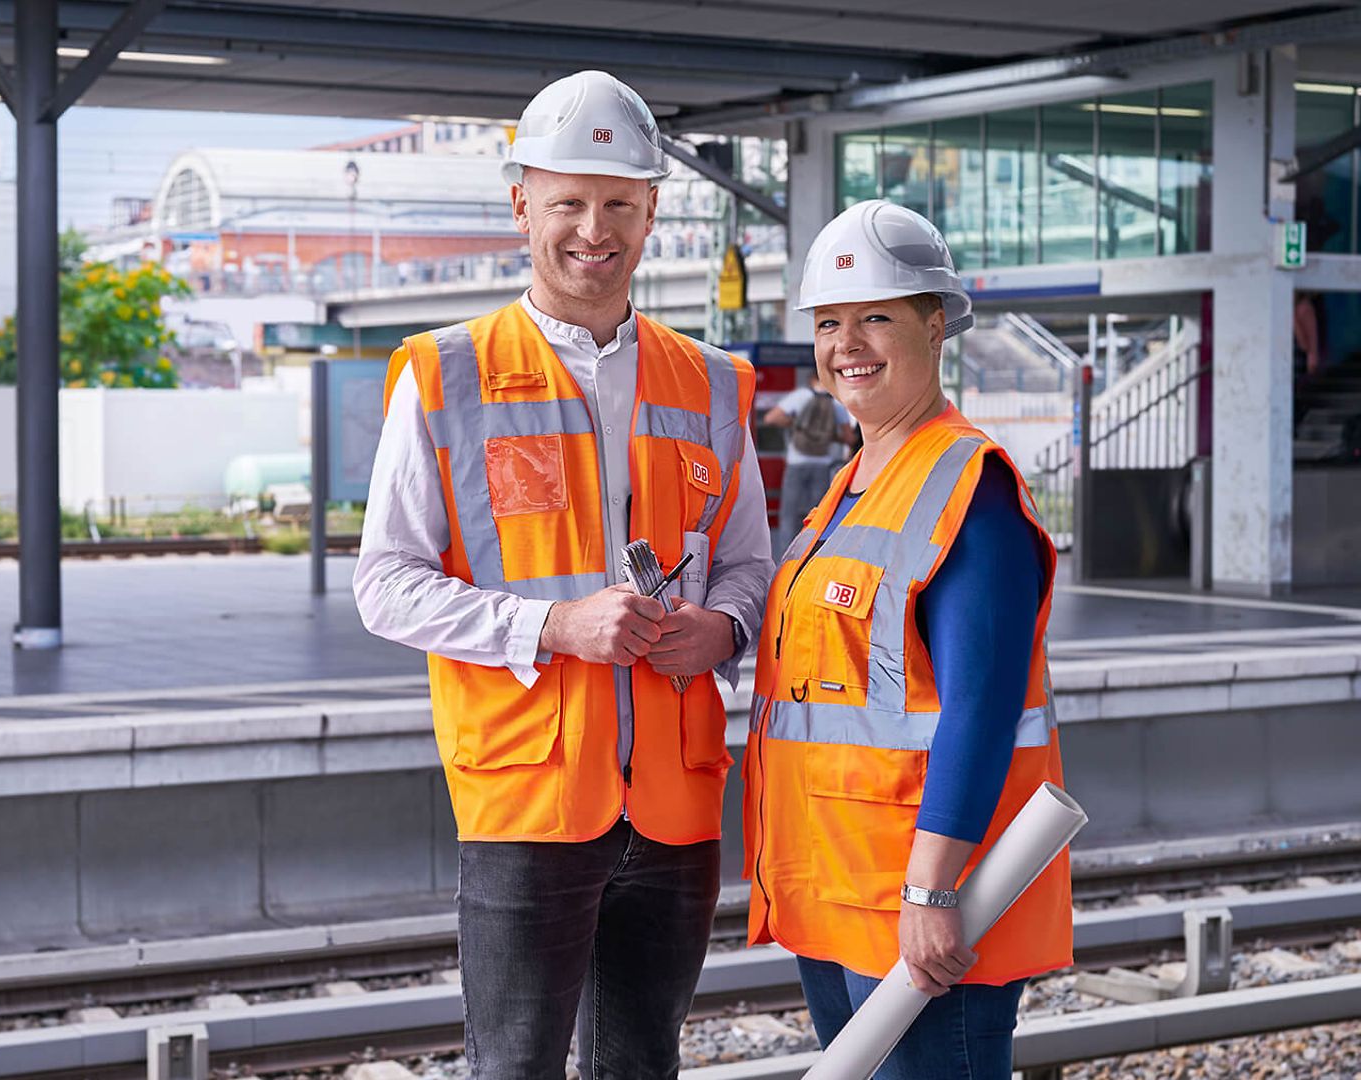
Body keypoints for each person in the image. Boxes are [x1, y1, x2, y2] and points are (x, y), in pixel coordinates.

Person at [354, 70, 774, 1080]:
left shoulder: (713, 383)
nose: (596, 228)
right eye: (570, 202)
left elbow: (751, 565)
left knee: (644, 1069)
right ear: (521, 206)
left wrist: (724, 631)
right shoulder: (445, 374)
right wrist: (551, 628)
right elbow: (385, 581)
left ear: (651, 212)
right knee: (516, 1070)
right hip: (528, 800)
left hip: (674, 806)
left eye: (619, 203)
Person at [741, 199, 1072, 1079]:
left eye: (878, 317)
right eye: (830, 323)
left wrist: (931, 892)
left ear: (936, 325)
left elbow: (981, 709)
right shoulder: (849, 485)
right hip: (837, 895)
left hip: (921, 903)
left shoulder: (971, 486)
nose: (849, 343)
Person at [762, 371, 853, 553]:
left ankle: (786, 558)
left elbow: (770, 418)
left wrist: (795, 425)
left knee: (789, 514)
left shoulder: (800, 396)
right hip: (822, 464)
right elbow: (849, 438)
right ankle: (812, 554)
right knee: (818, 515)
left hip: (796, 463)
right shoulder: (837, 402)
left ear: (811, 380)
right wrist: (830, 436)